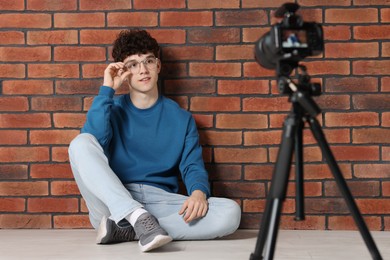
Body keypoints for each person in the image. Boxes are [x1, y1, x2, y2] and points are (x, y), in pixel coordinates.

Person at [68, 29, 241, 252]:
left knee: (230, 213)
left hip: (160, 203)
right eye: (133, 64)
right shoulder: (110, 110)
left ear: (157, 66)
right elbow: (91, 146)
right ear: (124, 72)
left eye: (148, 61)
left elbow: (192, 166)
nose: (143, 70)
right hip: (112, 202)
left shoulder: (182, 119)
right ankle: (134, 216)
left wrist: (198, 192)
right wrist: (107, 89)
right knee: (80, 143)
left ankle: (130, 228)